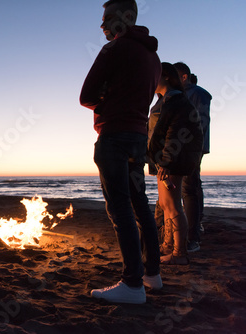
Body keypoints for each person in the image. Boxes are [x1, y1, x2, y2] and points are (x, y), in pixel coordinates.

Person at [80, 0, 162, 304]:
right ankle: (152, 274)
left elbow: (86, 95)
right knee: (139, 203)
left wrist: (107, 101)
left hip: (114, 135)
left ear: (123, 19)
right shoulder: (153, 57)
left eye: (106, 19)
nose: (102, 26)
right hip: (139, 137)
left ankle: (132, 284)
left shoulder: (113, 49)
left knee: (120, 207)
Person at [147, 62, 204, 265]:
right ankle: (168, 245)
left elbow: (175, 134)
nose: (152, 80)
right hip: (164, 159)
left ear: (167, 78)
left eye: (155, 75)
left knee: (173, 205)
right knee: (165, 204)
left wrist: (167, 162)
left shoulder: (176, 100)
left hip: (172, 160)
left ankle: (179, 253)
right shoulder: (165, 100)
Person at [173, 62, 212, 252]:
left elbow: (201, 123)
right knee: (190, 188)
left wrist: (190, 146)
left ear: (184, 76)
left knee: (190, 188)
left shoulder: (197, 93)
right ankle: (192, 229)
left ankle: (193, 237)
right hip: (180, 149)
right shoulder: (179, 94)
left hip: (190, 149)